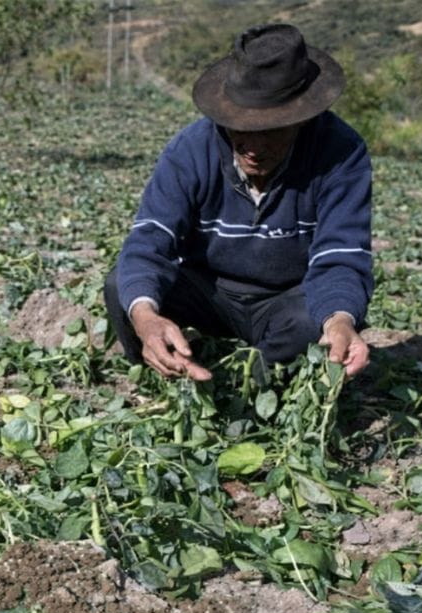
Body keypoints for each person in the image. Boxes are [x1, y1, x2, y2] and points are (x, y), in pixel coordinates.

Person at [104, 23, 373, 381]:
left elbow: (341, 255)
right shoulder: (190, 149)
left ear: (303, 120)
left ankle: (249, 381)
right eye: (241, 127)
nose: (253, 148)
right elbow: (150, 241)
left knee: (316, 326)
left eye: (271, 130)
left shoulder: (340, 153)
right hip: (208, 292)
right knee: (124, 287)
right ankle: (162, 368)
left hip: (287, 298)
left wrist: (338, 320)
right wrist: (146, 318)